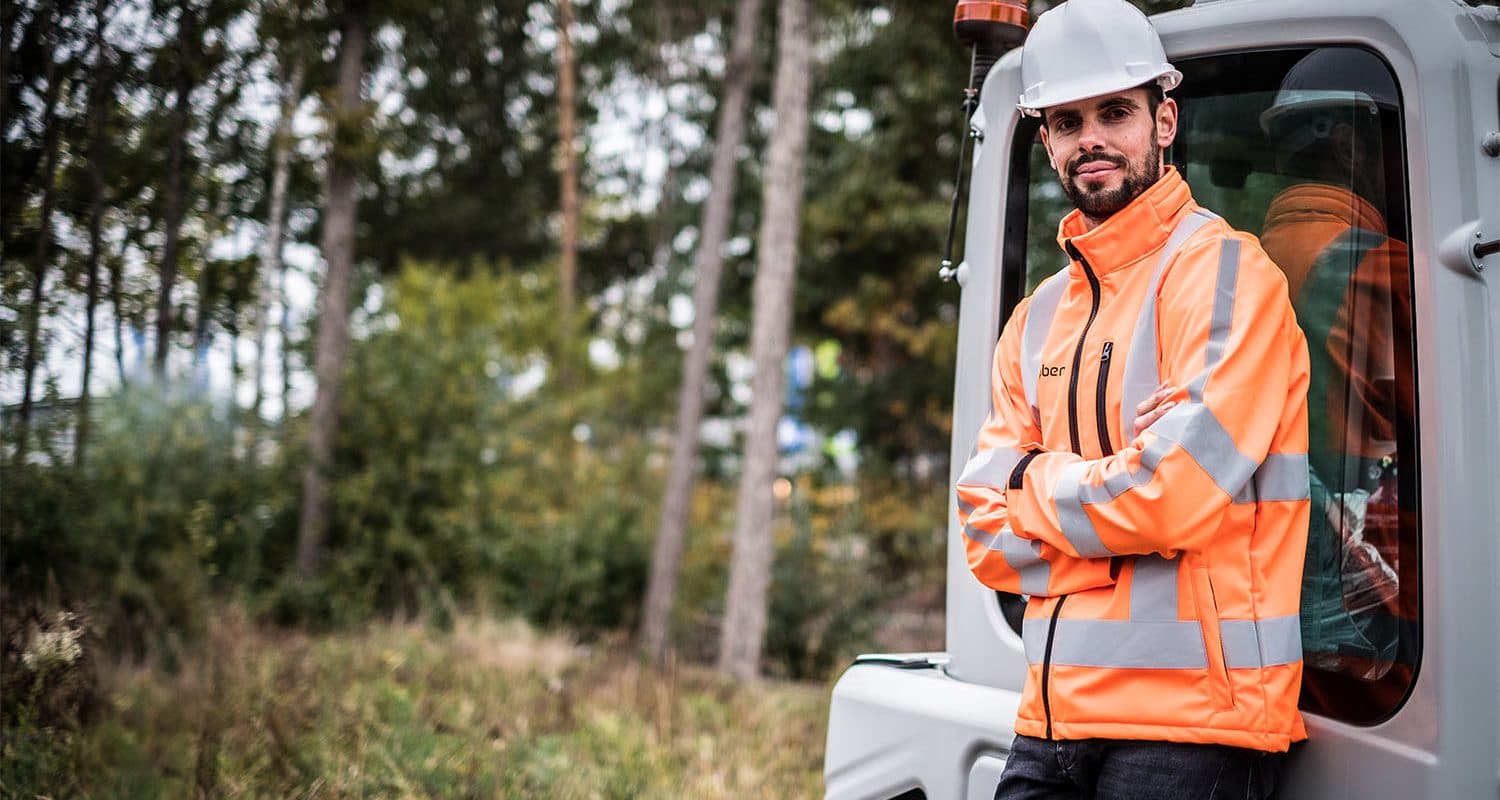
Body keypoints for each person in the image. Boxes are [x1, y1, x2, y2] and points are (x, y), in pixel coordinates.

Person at [953, 1, 1311, 797]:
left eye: (1115, 112)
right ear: (1045, 141)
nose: (1091, 140)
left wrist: (1032, 478)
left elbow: (1171, 497)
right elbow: (982, 528)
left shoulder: (1226, 275)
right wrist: (1115, 482)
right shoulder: (1038, 315)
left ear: (1164, 120)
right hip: (1050, 724)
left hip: (1192, 729)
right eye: (1067, 121)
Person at [1255, 48, 1415, 705]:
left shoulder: (1235, 267)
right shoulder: (1389, 268)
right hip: (1370, 594)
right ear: (1353, 146)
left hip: (1265, 584)